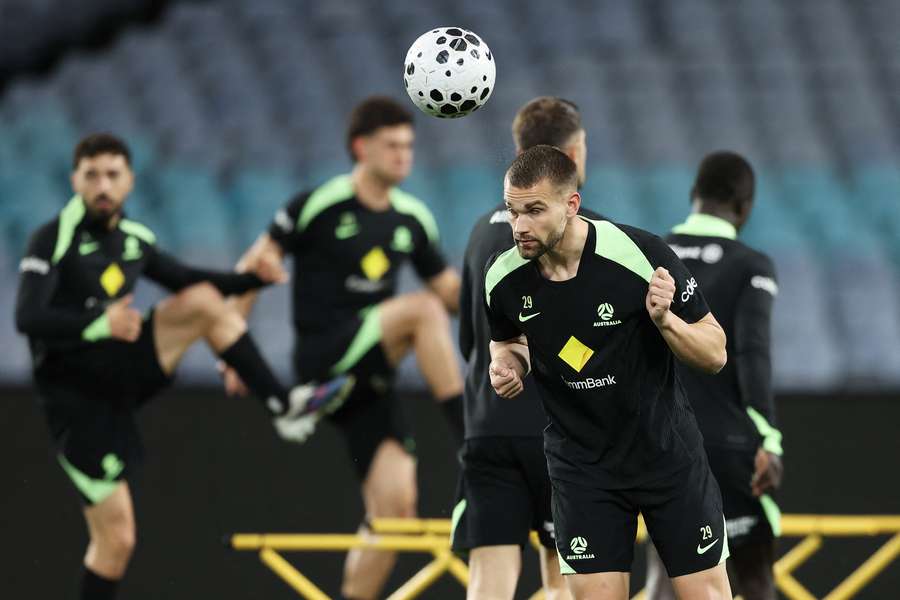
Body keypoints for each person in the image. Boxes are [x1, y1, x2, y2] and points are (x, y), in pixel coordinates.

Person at [14, 133, 352, 600]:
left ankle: (283, 405)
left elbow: (188, 278)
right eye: (92, 175)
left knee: (202, 301)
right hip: (75, 400)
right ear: (75, 180)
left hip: (122, 370)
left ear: (130, 180)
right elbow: (26, 317)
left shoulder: (134, 240)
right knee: (116, 541)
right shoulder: (52, 239)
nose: (102, 185)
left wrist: (253, 279)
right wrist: (98, 322)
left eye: (113, 174)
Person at [223, 96, 465, 600]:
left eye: (409, 145)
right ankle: (474, 442)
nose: (404, 155)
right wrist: (234, 353)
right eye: (392, 145)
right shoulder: (320, 204)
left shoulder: (412, 218)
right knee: (420, 311)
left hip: (369, 382)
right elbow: (253, 266)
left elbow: (452, 294)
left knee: (395, 514)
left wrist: (521, 306)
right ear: (361, 147)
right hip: (323, 353)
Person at [485, 145, 732, 600]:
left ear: (572, 204)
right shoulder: (502, 278)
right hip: (582, 468)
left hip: (666, 458)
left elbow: (715, 353)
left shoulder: (641, 254)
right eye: (512, 211)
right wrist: (508, 364)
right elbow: (507, 340)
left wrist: (666, 321)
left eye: (535, 210)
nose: (520, 226)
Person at [453, 97, 601, 600]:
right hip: (558, 435)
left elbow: (471, 343)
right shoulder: (584, 230)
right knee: (562, 584)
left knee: (487, 586)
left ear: (518, 153)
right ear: (575, 153)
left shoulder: (478, 233)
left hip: (487, 428)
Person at [645, 151, 782, 600]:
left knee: (665, 581)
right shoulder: (751, 265)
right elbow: (753, 353)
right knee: (754, 579)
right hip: (730, 447)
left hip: (661, 444)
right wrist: (769, 439)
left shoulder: (651, 255)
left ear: (693, 196)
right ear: (745, 207)